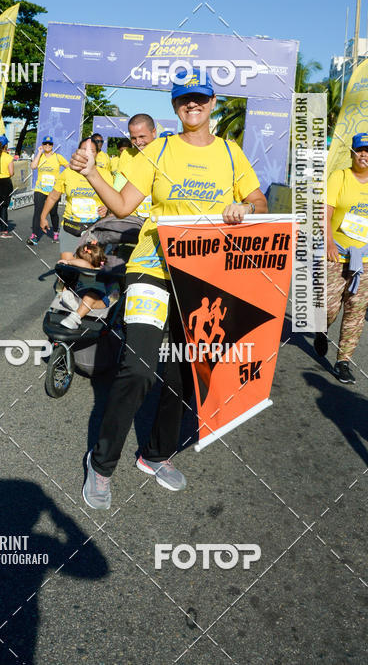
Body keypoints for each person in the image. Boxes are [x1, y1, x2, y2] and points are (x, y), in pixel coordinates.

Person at [69, 67, 267, 509]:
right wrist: (92, 174)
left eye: (200, 97)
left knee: (184, 371)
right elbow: (123, 205)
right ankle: (101, 463)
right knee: (139, 368)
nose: (192, 104)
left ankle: (156, 454)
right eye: (183, 98)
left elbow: (258, 201)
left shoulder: (231, 154)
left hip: (202, 276)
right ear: (175, 106)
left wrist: (245, 208)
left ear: (212, 103)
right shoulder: (158, 150)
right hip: (152, 268)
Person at [314, 133, 368, 384]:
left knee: (356, 310)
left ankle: (343, 362)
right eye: (359, 150)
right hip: (337, 253)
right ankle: (321, 328)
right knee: (328, 308)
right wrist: (328, 242)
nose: (364, 155)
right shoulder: (339, 177)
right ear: (352, 153)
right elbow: (325, 212)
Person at [40, 137, 113, 253]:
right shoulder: (68, 172)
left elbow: (114, 200)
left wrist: (107, 208)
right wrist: (43, 217)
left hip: (96, 228)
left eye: (92, 151)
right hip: (71, 227)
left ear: (97, 154)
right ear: (78, 152)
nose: (87, 154)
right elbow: (53, 197)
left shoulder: (105, 174)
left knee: (90, 262)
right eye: (84, 150)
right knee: (68, 262)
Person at [58, 241, 113, 329]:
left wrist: (69, 262)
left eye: (77, 259)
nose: (75, 260)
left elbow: (85, 264)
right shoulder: (83, 268)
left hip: (99, 298)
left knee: (89, 297)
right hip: (81, 294)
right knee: (67, 287)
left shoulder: (94, 268)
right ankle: (74, 304)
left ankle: (74, 319)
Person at [28, 136, 68, 246]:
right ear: (42, 145)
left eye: (49, 144)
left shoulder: (58, 157)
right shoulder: (40, 157)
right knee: (38, 212)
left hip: (53, 190)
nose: (47, 146)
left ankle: (55, 232)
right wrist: (39, 153)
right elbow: (33, 166)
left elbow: (68, 167)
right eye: (45, 144)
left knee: (53, 212)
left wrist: (62, 180)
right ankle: (34, 235)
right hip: (40, 189)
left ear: (52, 146)